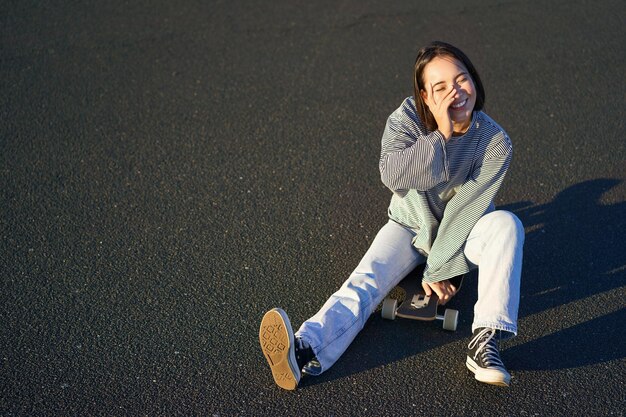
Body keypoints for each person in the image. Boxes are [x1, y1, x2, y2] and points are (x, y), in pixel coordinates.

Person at [259, 41, 524, 389]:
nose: (455, 93)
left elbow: (466, 208)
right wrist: (441, 136)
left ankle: (485, 341)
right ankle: (306, 348)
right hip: (408, 226)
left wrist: (441, 268)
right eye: (440, 87)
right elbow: (394, 176)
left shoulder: (495, 142)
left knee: (507, 224)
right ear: (425, 97)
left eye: (461, 80)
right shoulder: (405, 121)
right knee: (365, 282)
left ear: (474, 80)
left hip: (463, 234)